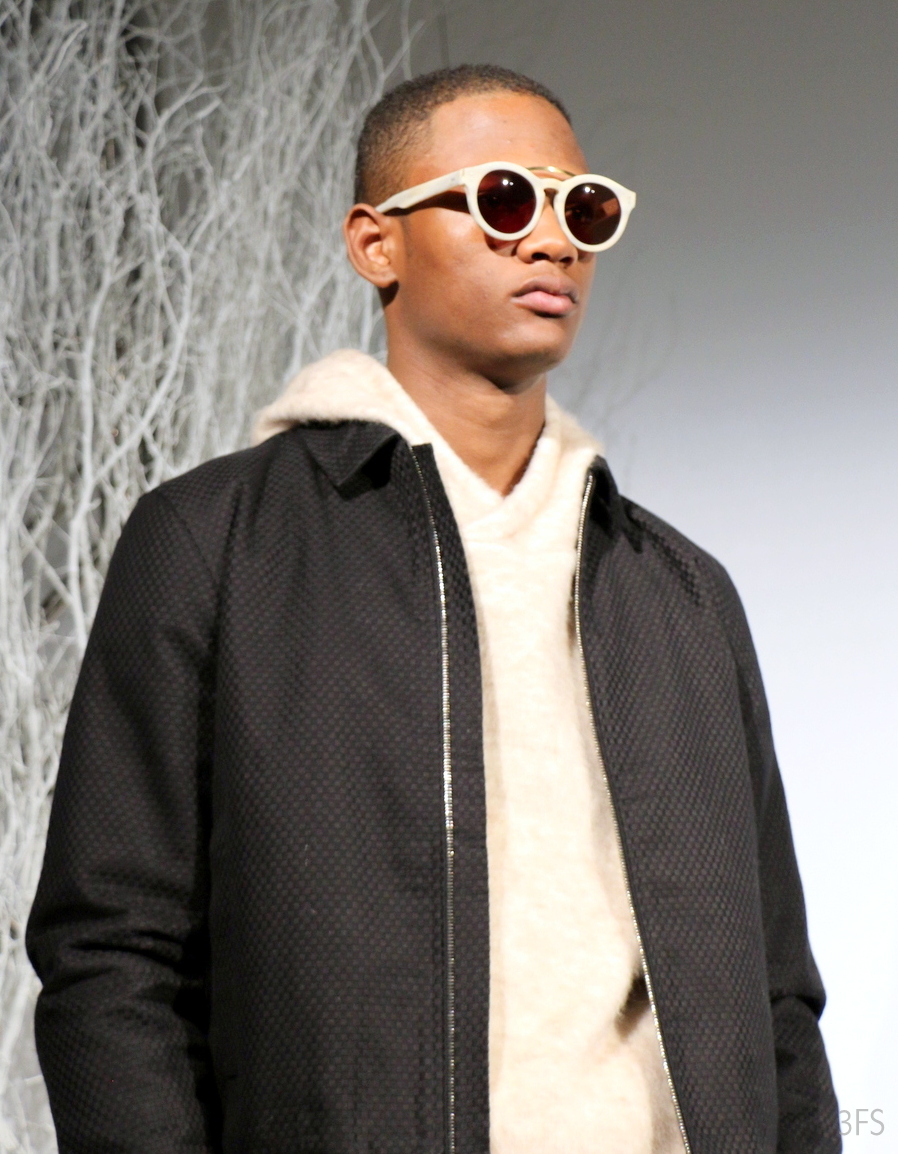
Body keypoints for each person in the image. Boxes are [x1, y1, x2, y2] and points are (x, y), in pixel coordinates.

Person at [27, 64, 840, 1153]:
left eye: (584, 209)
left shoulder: (679, 595)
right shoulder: (214, 543)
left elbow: (777, 996)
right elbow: (110, 957)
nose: (551, 242)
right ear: (377, 244)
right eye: (504, 199)